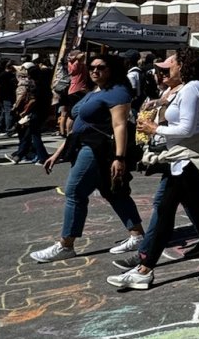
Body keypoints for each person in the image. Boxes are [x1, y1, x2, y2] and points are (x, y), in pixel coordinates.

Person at [108, 48, 199, 290]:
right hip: (182, 159)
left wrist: (154, 128)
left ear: (183, 66)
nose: (165, 70)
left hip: (189, 158)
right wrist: (161, 101)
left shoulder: (192, 88)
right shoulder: (196, 86)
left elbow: (187, 128)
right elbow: (180, 107)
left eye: (170, 66)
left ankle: (145, 270)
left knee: (168, 211)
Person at [31, 54, 145, 263]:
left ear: (112, 69)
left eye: (101, 67)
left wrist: (119, 157)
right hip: (82, 143)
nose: (94, 71)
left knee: (75, 191)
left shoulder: (117, 91)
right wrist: (58, 153)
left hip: (97, 148)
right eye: (91, 67)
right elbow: (80, 124)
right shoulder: (97, 90)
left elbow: (120, 126)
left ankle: (66, 244)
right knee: (112, 192)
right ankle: (137, 234)